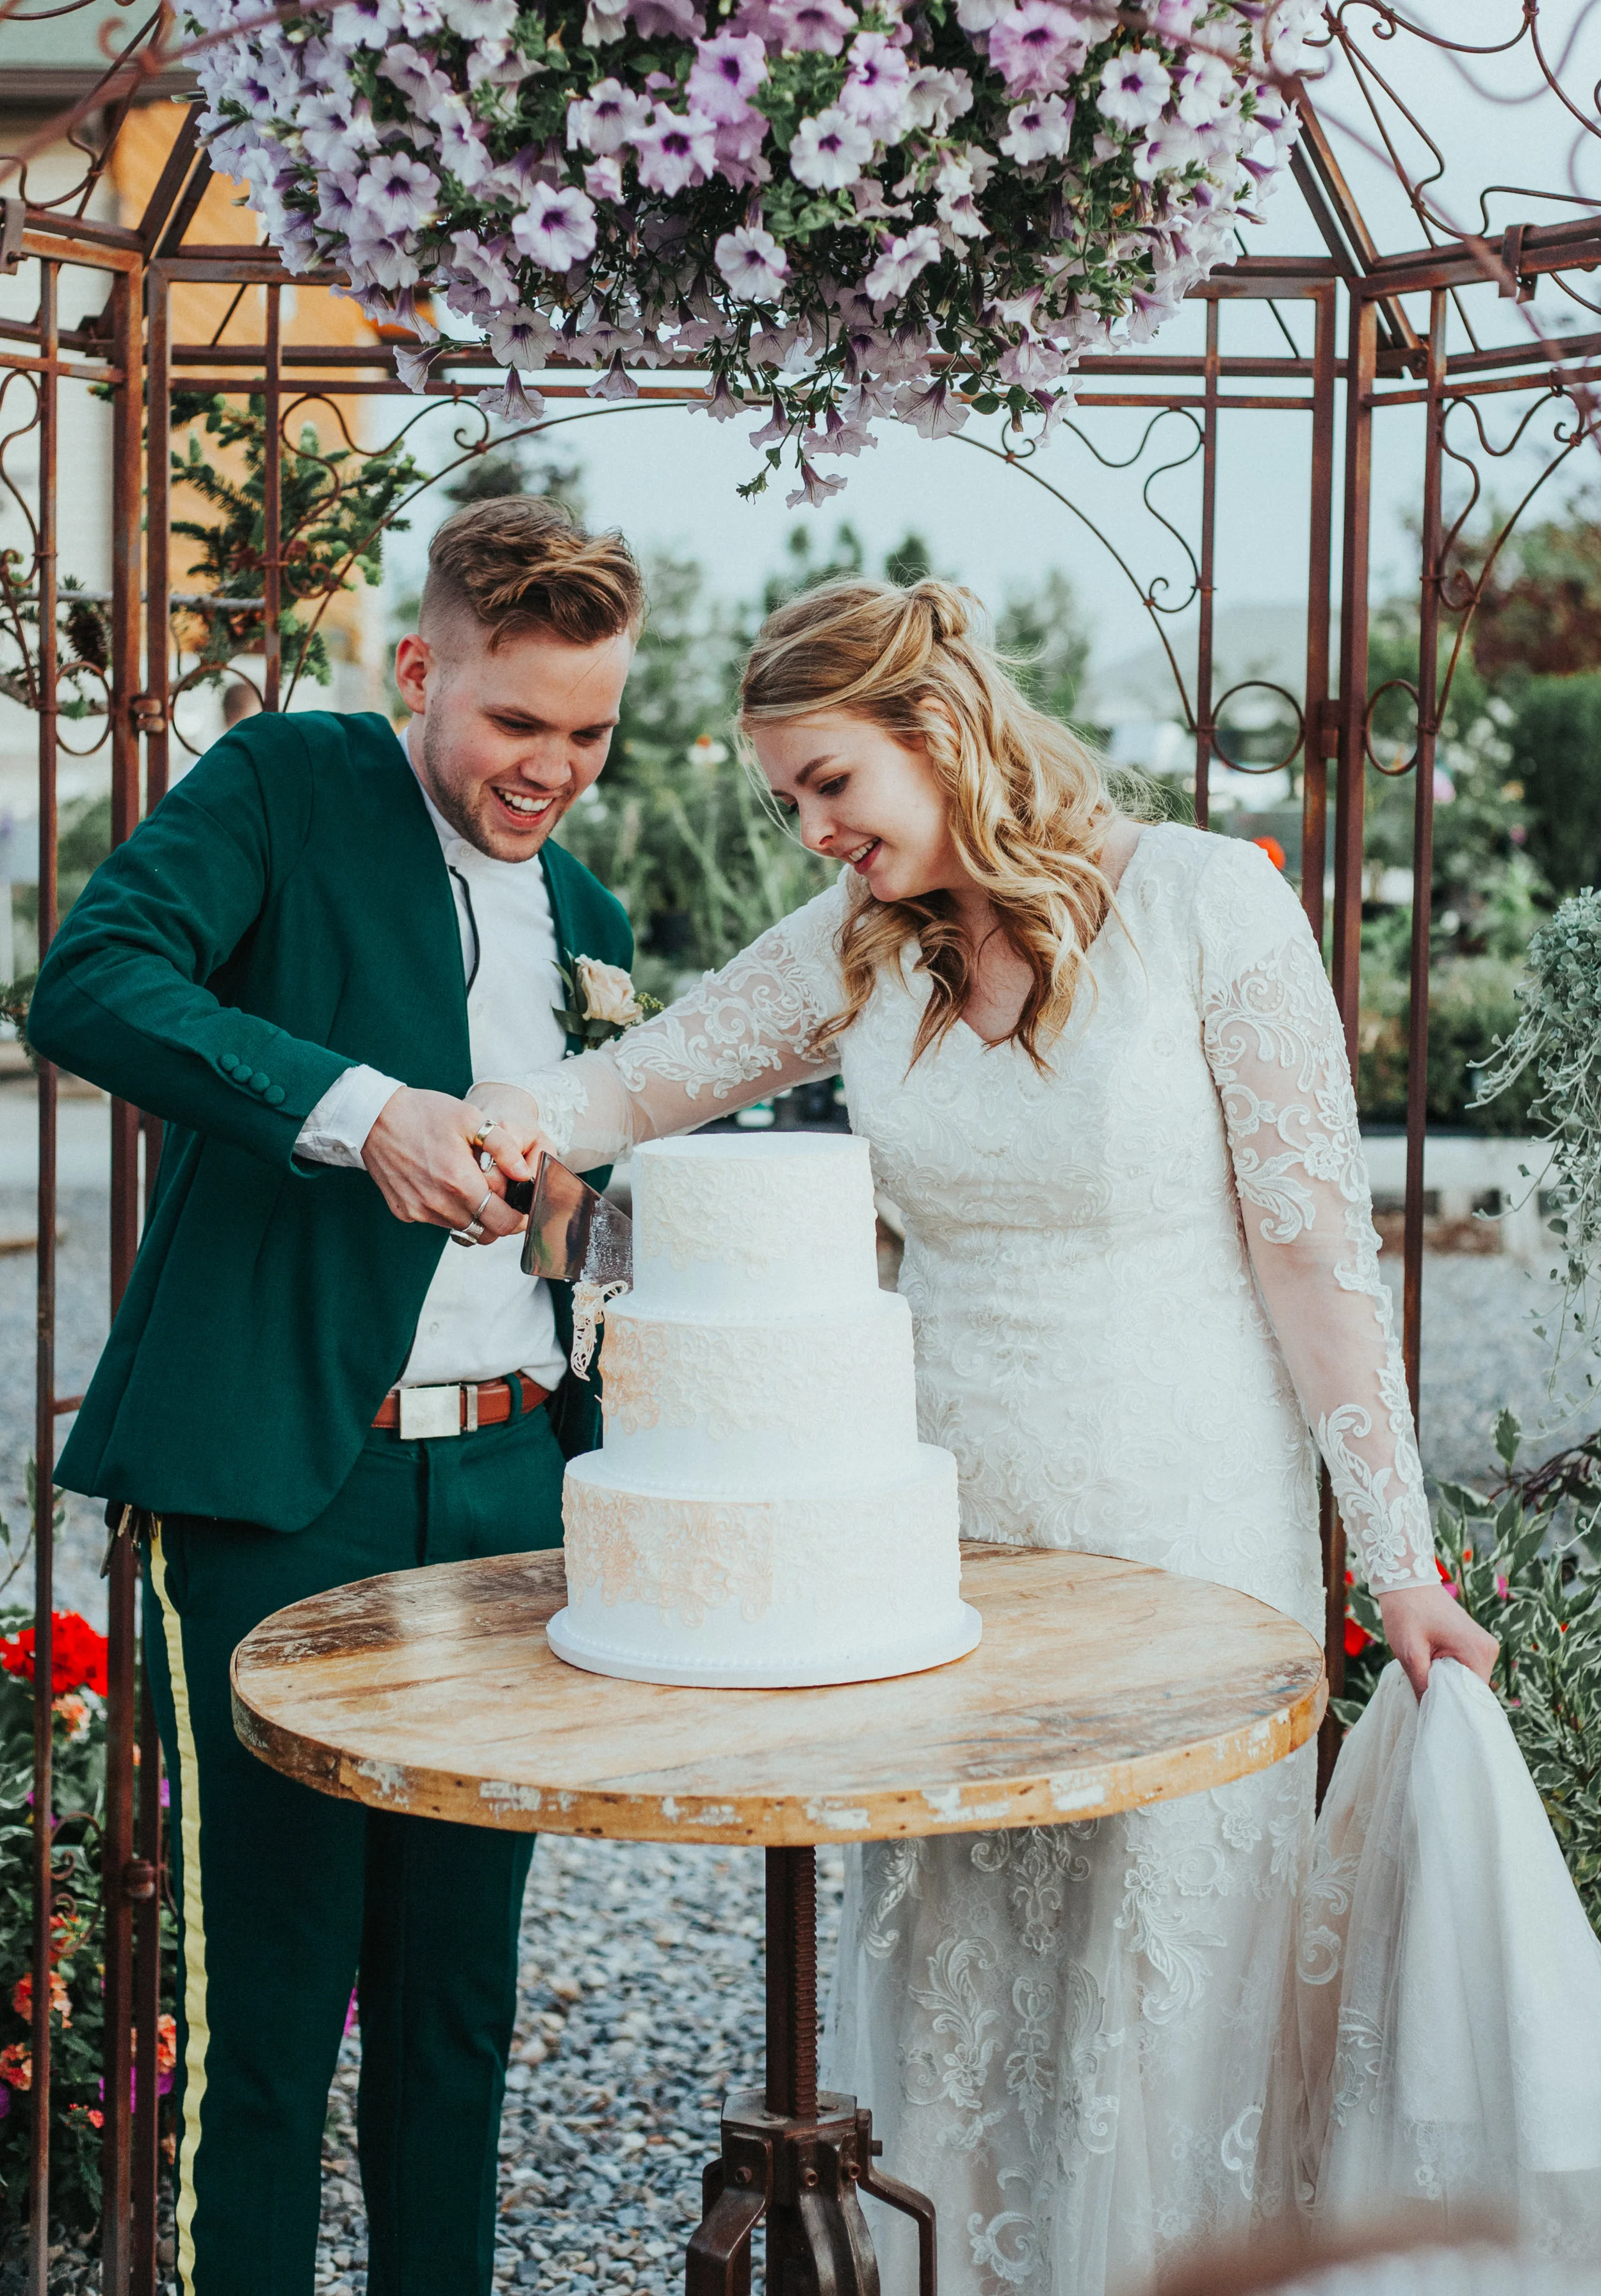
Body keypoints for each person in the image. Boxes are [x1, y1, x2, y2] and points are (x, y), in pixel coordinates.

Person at [468, 576, 1499, 2296]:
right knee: (950, 1938)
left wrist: (1395, 1561)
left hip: (1181, 1501)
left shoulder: (1201, 909)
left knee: (1155, 1943)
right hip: (935, 1519)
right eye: (789, 799)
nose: (812, 832)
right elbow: (640, 1082)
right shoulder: (863, 946)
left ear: (937, 734)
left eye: (828, 786)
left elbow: (1314, 1249)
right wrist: (484, 1124)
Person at [27, 496, 642, 2296]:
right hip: (286, 1489)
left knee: (460, 2008)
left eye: (587, 734)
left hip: (516, 1495)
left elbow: (580, 1222)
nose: (550, 769)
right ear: (417, 669)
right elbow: (92, 985)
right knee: (273, 2012)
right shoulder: (287, 784)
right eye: (515, 722)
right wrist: (362, 1112)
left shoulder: (593, 911)